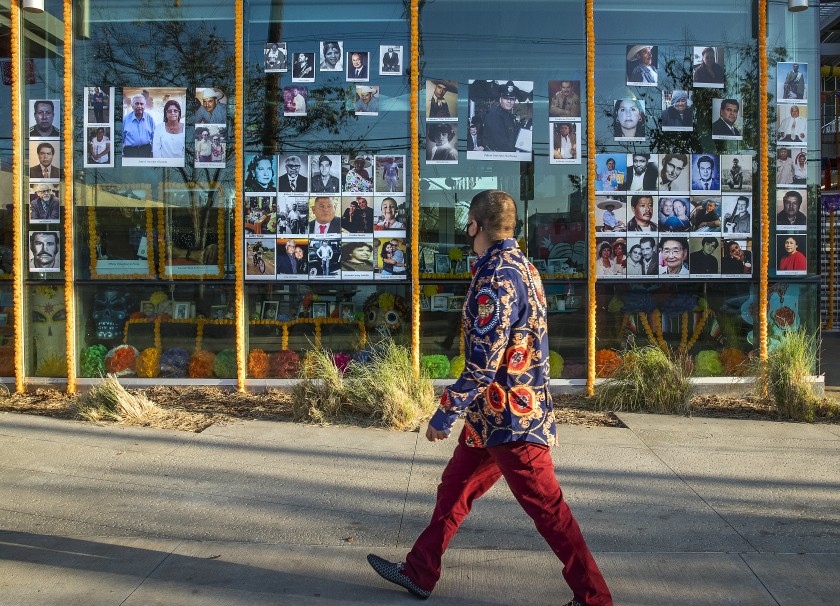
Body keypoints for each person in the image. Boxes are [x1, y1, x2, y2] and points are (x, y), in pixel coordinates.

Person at [367, 190, 613, 606]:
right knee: (455, 490)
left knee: (549, 511)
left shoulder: (495, 278)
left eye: (468, 225)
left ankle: (594, 598)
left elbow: (483, 361)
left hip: (513, 421)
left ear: (475, 226)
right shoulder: (524, 267)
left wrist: (444, 415)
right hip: (493, 418)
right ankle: (420, 571)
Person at [482, 81, 520, 152]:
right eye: (506, 98)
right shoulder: (494, 115)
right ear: (500, 99)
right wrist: (515, 152)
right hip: (496, 157)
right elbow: (501, 142)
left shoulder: (507, 115)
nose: (509, 101)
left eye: (512, 99)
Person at [122, 93, 155, 157]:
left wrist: (152, 152)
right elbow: (121, 138)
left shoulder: (149, 118)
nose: (139, 106)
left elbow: (154, 137)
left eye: (142, 104)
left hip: (146, 151)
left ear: (144, 106)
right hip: (130, 151)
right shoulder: (125, 120)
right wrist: (122, 154)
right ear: (132, 105)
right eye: (137, 103)